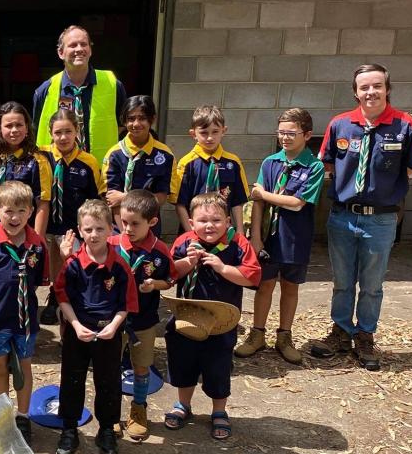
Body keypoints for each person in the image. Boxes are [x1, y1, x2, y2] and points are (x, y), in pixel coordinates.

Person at [309, 64, 412, 370]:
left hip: (381, 219)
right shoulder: (340, 124)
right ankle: (340, 331)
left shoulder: (406, 125)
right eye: (364, 87)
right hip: (343, 216)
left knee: (372, 284)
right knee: (342, 280)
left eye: (377, 86)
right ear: (355, 91)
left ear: (387, 88)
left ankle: (365, 335)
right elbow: (329, 164)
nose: (370, 92)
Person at [165, 193, 261, 441]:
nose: (210, 226)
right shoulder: (184, 241)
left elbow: (252, 277)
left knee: (218, 366)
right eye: (203, 220)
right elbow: (168, 275)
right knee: (183, 362)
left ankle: (219, 411)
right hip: (187, 318)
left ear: (228, 221)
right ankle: (183, 405)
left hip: (221, 323)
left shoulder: (238, 243)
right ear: (192, 223)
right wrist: (188, 261)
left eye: (217, 220)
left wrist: (222, 267)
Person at [235, 108, 325, 365]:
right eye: (281, 132)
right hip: (268, 237)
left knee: (290, 286)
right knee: (265, 285)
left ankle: (284, 336)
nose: (285, 138)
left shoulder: (314, 166)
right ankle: (257, 334)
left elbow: (297, 203)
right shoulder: (270, 162)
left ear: (307, 135)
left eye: (291, 133)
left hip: (295, 235)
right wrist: (255, 238)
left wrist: (263, 194)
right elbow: (257, 203)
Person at [54, 199, 137, 454]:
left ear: (111, 229)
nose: (94, 235)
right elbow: (62, 297)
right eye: (88, 230)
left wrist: (114, 327)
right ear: (80, 231)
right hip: (77, 333)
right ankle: (69, 429)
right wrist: (76, 326)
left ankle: (107, 430)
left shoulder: (120, 267)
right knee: (71, 379)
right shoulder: (73, 264)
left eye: (100, 229)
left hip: (108, 334)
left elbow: (126, 303)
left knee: (109, 382)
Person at [0, 181, 49, 445]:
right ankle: (2, 415)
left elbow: (40, 280)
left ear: (31, 211)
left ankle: (22, 415)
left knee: (25, 365)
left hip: (26, 319)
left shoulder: (38, 245)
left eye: (21, 210)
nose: (15, 217)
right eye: (8, 211)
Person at [110, 190, 176, 441]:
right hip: (114, 320)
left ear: (153, 222)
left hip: (145, 321)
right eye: (123, 222)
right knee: (111, 366)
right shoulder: (112, 245)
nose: (127, 228)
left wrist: (154, 285)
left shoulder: (159, 250)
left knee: (141, 366)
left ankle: (138, 409)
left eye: (135, 224)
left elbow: (169, 279)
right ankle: (111, 412)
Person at [41, 108, 104, 325]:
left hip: (73, 227)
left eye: (68, 131)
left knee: (73, 265)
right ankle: (53, 296)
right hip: (46, 224)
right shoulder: (42, 157)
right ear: (50, 133)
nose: (63, 137)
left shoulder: (89, 162)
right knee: (50, 264)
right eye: (58, 132)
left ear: (77, 131)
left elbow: (96, 198)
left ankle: (68, 299)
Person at [33, 25, 128, 158]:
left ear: (90, 50)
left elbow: (123, 124)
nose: (79, 49)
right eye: (73, 45)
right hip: (58, 169)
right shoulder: (45, 90)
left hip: (101, 168)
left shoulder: (113, 85)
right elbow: (38, 128)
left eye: (84, 44)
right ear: (61, 53)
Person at [102, 95, 175, 236]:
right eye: (130, 119)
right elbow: (112, 199)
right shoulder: (114, 154)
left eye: (141, 118)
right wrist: (124, 232)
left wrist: (124, 197)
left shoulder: (164, 155)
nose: (136, 124)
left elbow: (161, 197)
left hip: (149, 227)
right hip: (119, 227)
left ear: (152, 119)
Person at [170, 105, 248, 235]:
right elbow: (180, 204)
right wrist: (191, 234)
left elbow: (237, 201)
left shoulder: (233, 162)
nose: (210, 138)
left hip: (224, 232)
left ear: (224, 131)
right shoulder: (186, 163)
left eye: (215, 132)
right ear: (193, 134)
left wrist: (240, 230)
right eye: (204, 133)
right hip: (194, 231)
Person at [0, 101, 53, 237]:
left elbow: (42, 204)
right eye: (8, 126)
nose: (14, 130)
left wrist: (36, 242)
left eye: (19, 125)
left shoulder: (37, 160)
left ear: (27, 128)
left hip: (26, 234)